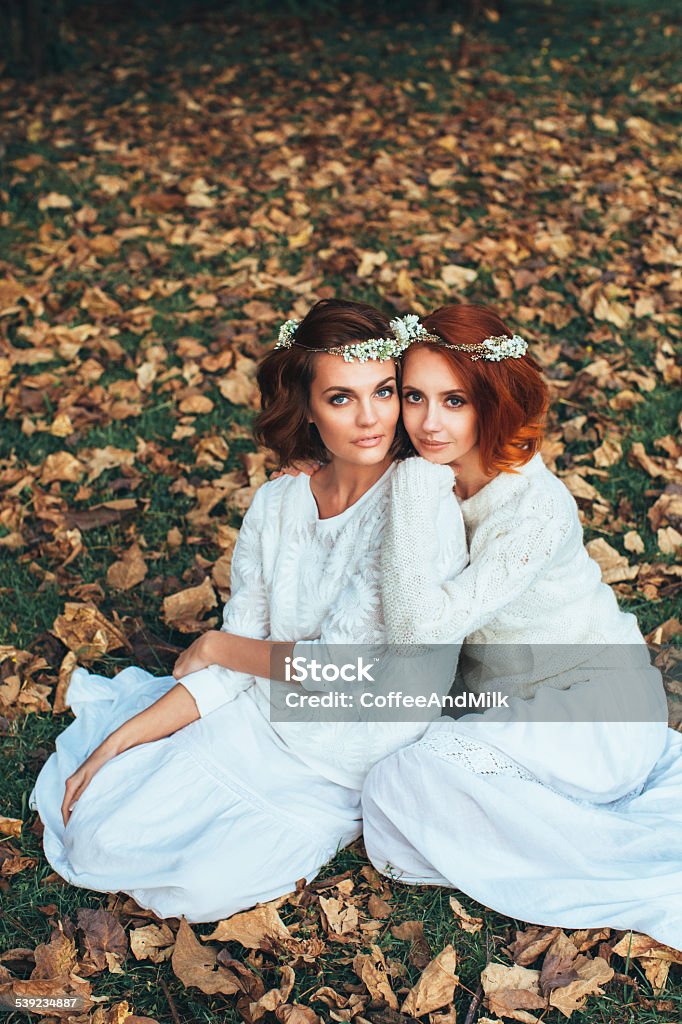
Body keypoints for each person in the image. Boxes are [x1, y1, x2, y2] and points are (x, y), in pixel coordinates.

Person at [29, 299, 466, 924]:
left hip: (338, 760)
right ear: (308, 408)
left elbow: (338, 672)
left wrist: (209, 647)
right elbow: (240, 657)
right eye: (342, 398)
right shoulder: (279, 502)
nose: (370, 419)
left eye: (386, 392)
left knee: (199, 892)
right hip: (256, 717)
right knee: (99, 827)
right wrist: (115, 744)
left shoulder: (418, 510)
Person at [360, 302, 682, 950]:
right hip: (500, 699)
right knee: (393, 772)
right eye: (414, 397)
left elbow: (418, 629)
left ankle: (609, 858)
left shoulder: (534, 509)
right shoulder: (433, 472)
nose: (427, 423)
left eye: (454, 401)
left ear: (491, 401)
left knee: (407, 776)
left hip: (596, 710)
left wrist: (410, 494)